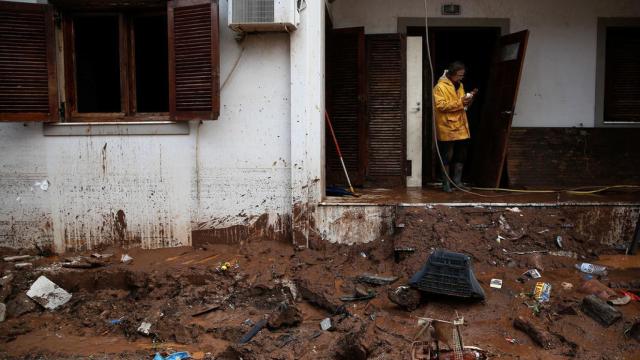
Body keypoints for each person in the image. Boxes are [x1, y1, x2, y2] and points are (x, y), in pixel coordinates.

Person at [433, 61, 478, 192]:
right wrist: (460, 102)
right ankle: (446, 183)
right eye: (459, 75)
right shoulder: (439, 87)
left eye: (462, 75)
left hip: (461, 124)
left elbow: (462, 105)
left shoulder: (460, 85)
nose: (461, 78)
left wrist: (469, 99)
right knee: (447, 155)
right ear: (451, 74)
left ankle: (457, 182)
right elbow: (440, 106)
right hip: (447, 126)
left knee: (461, 154)